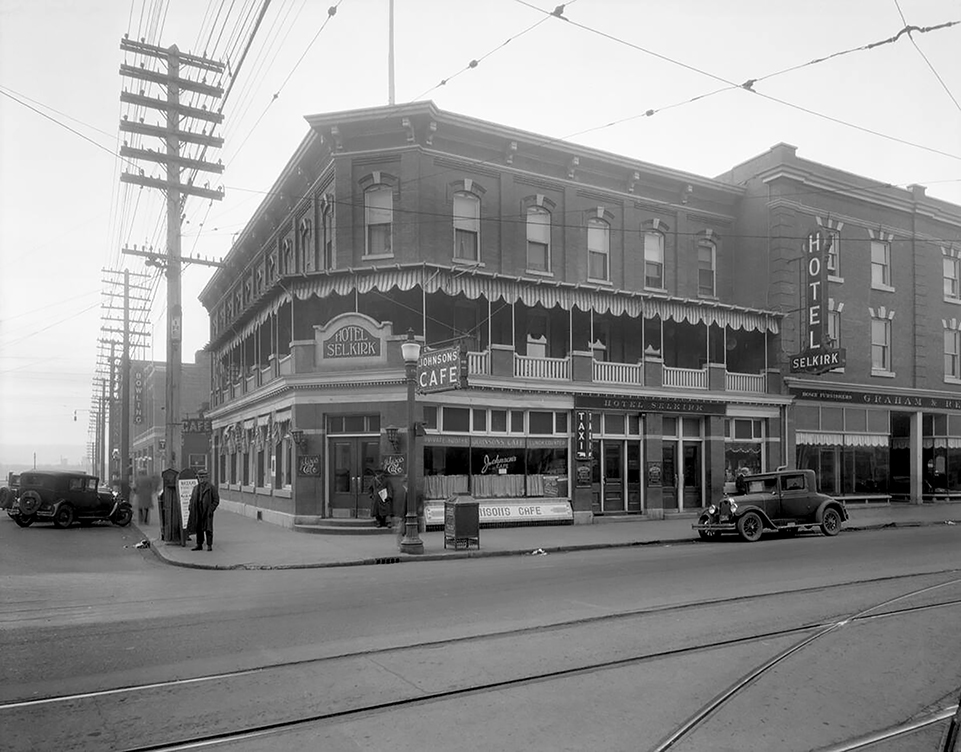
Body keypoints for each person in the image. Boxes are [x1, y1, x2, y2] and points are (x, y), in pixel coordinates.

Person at [187, 470, 220, 551]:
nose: (201, 479)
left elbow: (216, 500)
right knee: (199, 528)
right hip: (197, 511)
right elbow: (192, 499)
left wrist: (211, 509)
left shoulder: (211, 488)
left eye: (203, 477)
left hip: (207, 511)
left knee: (208, 529)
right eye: (200, 477)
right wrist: (190, 506)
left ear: (206, 478)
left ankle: (209, 545)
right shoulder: (196, 488)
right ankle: (199, 544)